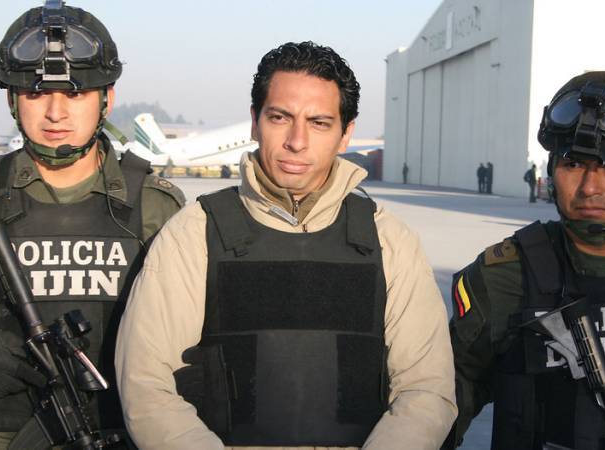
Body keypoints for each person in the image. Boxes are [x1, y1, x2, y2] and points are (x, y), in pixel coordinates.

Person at [116, 41, 456, 449]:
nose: (297, 141)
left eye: (319, 123)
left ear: (345, 134)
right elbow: (147, 385)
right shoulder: (194, 233)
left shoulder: (389, 240)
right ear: (255, 122)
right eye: (280, 117)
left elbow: (425, 390)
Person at [0, 3, 185, 449]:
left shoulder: (156, 206)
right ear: (12, 100)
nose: (55, 113)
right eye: (35, 94)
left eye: (75, 94)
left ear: (107, 99)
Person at [445, 72, 605, 450]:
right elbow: (438, 403)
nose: (590, 188)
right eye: (573, 165)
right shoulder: (503, 277)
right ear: (552, 170)